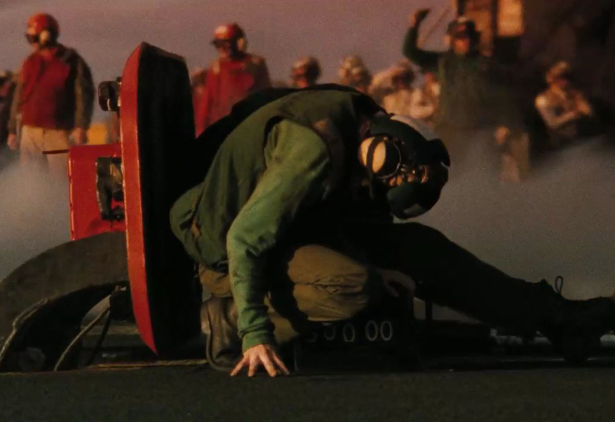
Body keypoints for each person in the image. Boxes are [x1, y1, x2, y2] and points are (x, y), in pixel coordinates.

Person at [170, 85, 615, 377]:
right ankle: (229, 324)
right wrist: (254, 332)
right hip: (221, 246)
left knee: (422, 249)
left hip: (286, 225)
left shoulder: (359, 116)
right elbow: (244, 240)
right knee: (352, 284)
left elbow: (321, 212)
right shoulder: (315, 149)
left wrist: (375, 258)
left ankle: (559, 319)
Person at [403, 9, 524, 170]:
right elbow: (410, 51)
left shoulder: (487, 65)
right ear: (452, 40)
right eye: (460, 37)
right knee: (450, 175)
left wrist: (505, 124)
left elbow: (503, 96)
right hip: (450, 130)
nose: (466, 41)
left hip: (481, 131)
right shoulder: (442, 62)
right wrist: (414, 25)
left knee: (485, 175)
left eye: (469, 36)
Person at [6, 13, 95, 168]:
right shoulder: (30, 62)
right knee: (31, 178)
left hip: (58, 132)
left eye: (33, 38)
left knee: (61, 178)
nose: (31, 43)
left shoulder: (70, 61)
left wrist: (81, 126)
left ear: (46, 36)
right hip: (30, 132)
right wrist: (13, 130)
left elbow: (84, 95)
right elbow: (19, 97)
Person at [194, 23, 271, 135]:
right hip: (222, 129)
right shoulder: (216, 68)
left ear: (239, 43)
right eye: (218, 44)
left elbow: (266, 97)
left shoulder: (255, 65)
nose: (222, 47)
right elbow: (206, 103)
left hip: (249, 127)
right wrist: (200, 132)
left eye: (226, 43)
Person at [534, 61, 597, 147]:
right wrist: (575, 114)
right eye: (560, 78)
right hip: (564, 144)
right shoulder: (543, 99)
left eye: (566, 77)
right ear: (552, 79)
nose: (565, 81)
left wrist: (587, 109)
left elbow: (589, 111)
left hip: (586, 137)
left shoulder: (574, 92)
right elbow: (552, 124)